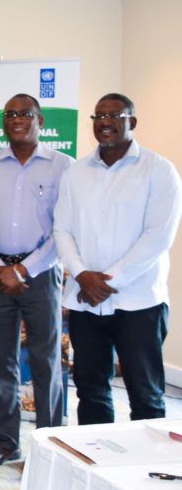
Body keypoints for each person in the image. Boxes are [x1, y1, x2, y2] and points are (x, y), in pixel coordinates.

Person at [54, 93, 182, 425]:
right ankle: (97, 466)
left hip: (138, 303)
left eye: (115, 115)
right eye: (99, 116)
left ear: (132, 122)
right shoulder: (76, 172)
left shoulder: (159, 171)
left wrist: (104, 282)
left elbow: (157, 237)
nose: (105, 122)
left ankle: (146, 472)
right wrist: (82, 275)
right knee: (90, 390)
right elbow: (62, 230)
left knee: (146, 394)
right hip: (85, 302)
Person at [0, 94, 73, 467]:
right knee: (0, 360)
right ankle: (7, 442)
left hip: (41, 276)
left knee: (46, 361)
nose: (17, 119)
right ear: (3, 122)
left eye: (25, 113)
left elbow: (65, 227)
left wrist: (24, 270)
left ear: (39, 119)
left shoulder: (62, 166)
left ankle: (51, 447)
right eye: (10, 113)